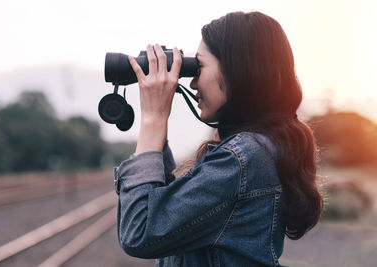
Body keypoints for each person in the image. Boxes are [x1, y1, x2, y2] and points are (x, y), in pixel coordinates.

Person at [113, 11, 324, 267]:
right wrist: (159, 121)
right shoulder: (256, 150)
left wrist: (153, 119)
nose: (191, 83)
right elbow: (171, 214)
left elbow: (140, 231)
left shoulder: (244, 158)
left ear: (237, 70)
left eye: (198, 67)